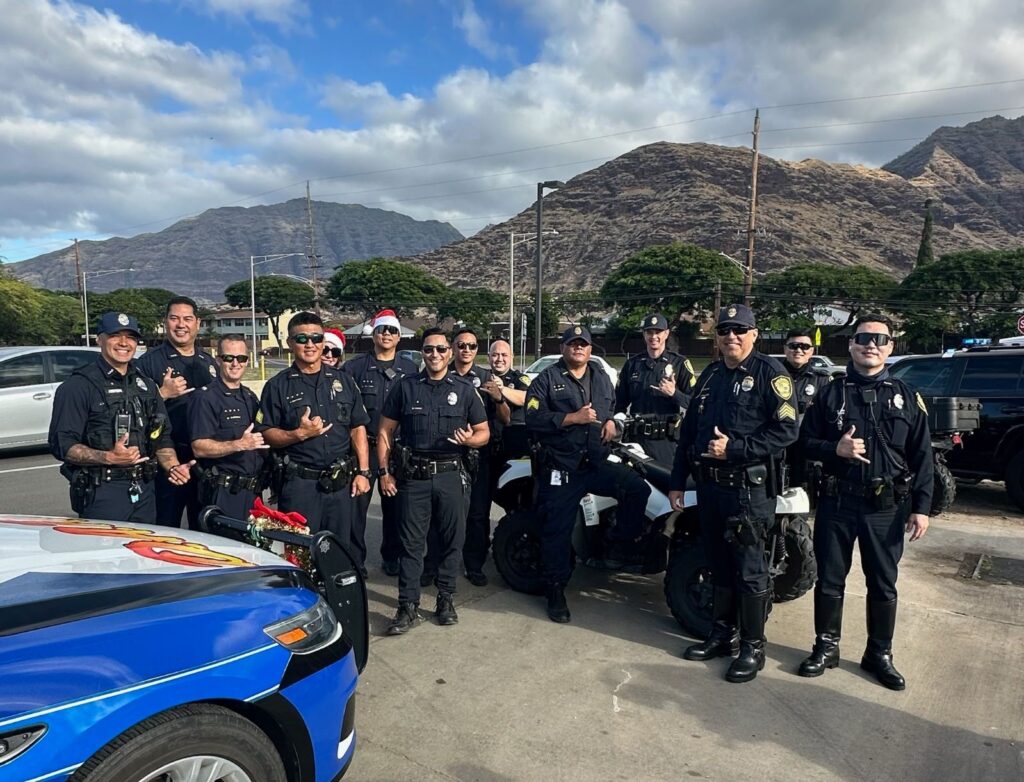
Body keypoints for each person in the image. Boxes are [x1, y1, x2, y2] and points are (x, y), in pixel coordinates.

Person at [796, 315, 932, 690]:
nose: (870, 344)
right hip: (838, 502)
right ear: (852, 345)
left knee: (884, 584)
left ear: (890, 347)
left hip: (886, 508)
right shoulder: (830, 393)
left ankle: (879, 654)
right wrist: (834, 449)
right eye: (863, 338)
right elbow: (804, 443)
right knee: (830, 580)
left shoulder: (906, 395)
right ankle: (826, 647)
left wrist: (922, 507)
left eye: (879, 339)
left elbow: (922, 456)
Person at [668, 304, 798, 683]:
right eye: (724, 330)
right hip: (709, 488)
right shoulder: (709, 376)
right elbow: (689, 433)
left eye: (740, 330)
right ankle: (721, 635)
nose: (731, 337)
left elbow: (787, 431)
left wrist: (736, 448)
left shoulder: (771, 374)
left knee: (750, 570)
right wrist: (677, 481)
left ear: (754, 334)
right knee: (719, 564)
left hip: (748, 492)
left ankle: (753, 648)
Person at [525, 325, 651, 624]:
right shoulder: (547, 378)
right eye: (573, 344)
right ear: (564, 347)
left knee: (637, 489)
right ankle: (555, 591)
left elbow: (611, 409)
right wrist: (571, 418)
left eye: (583, 344)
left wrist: (611, 423)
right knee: (557, 532)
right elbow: (533, 417)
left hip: (595, 463)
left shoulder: (601, 377)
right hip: (562, 468)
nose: (578, 348)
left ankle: (618, 545)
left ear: (590, 349)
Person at [377, 328, 489, 635]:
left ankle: (445, 599)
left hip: (452, 475)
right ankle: (407, 605)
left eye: (441, 350)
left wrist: (472, 441)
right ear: (422, 353)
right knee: (411, 545)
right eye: (429, 350)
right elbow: (385, 431)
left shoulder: (465, 390)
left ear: (450, 353)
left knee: (453, 541)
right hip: (414, 476)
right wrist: (384, 472)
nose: (435, 355)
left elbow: (484, 432)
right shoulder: (405, 387)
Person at [49, 312, 192, 523]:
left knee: (143, 553)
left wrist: (172, 466)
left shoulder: (146, 385)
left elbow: (161, 437)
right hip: (102, 492)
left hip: (145, 490)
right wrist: (108, 457)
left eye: (131, 337)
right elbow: (62, 443)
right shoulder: (78, 386)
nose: (124, 343)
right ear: (100, 339)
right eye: (116, 335)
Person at [257, 312, 372, 557]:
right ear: (290, 343)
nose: (310, 344)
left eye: (316, 338)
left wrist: (363, 472)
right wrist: (298, 434)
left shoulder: (344, 381)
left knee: (338, 553)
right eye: (301, 338)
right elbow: (266, 433)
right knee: (300, 553)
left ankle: (334, 596)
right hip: (301, 485)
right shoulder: (277, 386)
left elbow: (357, 427)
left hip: (340, 484)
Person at [342, 309, 418, 576]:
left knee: (395, 508)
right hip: (365, 448)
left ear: (399, 338)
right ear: (373, 334)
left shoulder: (410, 369)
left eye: (392, 331)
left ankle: (392, 556)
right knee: (357, 508)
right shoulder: (354, 368)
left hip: (396, 449)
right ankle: (355, 560)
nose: (387, 334)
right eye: (382, 330)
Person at [136, 296, 218, 529]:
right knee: (166, 529)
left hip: (203, 461)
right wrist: (161, 394)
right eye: (174, 318)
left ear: (197, 323)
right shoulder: (148, 363)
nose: (181, 325)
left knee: (204, 529)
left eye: (187, 319)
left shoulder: (208, 362)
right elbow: (132, 411)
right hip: (167, 462)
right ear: (165, 322)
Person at [447, 327, 509, 587]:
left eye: (471, 346)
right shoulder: (440, 373)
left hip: (479, 456)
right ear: (453, 347)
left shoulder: (487, 378)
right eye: (461, 345)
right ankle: (438, 563)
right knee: (444, 514)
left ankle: (474, 564)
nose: (466, 350)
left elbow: (506, 419)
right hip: (446, 454)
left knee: (477, 513)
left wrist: (498, 398)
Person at [189, 334, 268, 519]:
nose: (235, 363)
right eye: (228, 358)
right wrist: (238, 445)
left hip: (253, 491)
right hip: (223, 492)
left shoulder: (249, 397)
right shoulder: (205, 398)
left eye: (241, 358)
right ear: (218, 360)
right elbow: (199, 447)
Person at [614, 312, 696, 464]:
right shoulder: (632, 364)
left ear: (666, 334)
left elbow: (695, 404)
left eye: (658, 332)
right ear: (644, 335)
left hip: (665, 441)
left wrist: (674, 393)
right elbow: (619, 403)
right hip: (636, 440)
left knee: (665, 484)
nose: (654, 337)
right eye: (649, 332)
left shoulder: (679, 364)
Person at [779, 328, 831, 488]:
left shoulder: (821, 381)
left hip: (806, 451)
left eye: (804, 347)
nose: (799, 350)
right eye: (793, 346)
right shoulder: (771, 376)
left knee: (802, 500)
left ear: (811, 351)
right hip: (776, 446)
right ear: (785, 349)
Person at [486, 338, 532, 463]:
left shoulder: (520, 379)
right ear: (488, 358)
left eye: (504, 355)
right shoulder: (482, 377)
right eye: (495, 355)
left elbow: (525, 398)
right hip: (487, 443)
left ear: (512, 357)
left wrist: (502, 388)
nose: (500, 359)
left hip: (513, 443)